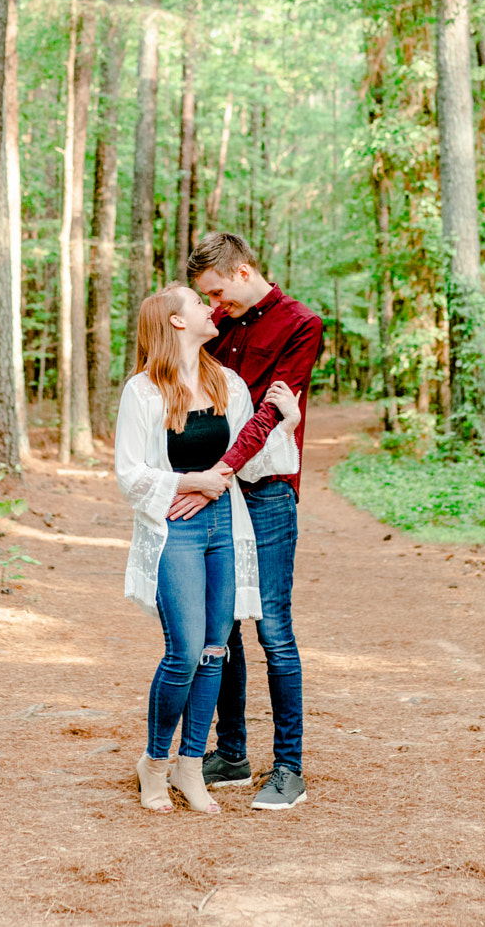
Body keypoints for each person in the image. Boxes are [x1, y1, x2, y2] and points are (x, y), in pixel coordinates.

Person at [114, 285, 302, 814]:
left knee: (214, 648)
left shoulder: (228, 383)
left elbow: (255, 462)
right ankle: (154, 764)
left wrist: (285, 424)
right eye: (198, 302)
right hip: (175, 526)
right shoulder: (144, 391)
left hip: (225, 525)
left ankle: (191, 766)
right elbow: (130, 475)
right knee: (183, 650)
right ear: (175, 322)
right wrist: (191, 482)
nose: (209, 308)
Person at [179, 232, 324, 812]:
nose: (217, 305)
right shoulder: (221, 321)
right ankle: (232, 753)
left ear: (243, 271)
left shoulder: (300, 324)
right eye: (207, 298)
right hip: (220, 488)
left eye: (220, 293)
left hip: (264, 490)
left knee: (274, 628)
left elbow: (269, 412)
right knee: (227, 624)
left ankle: (289, 767)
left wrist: (223, 468)